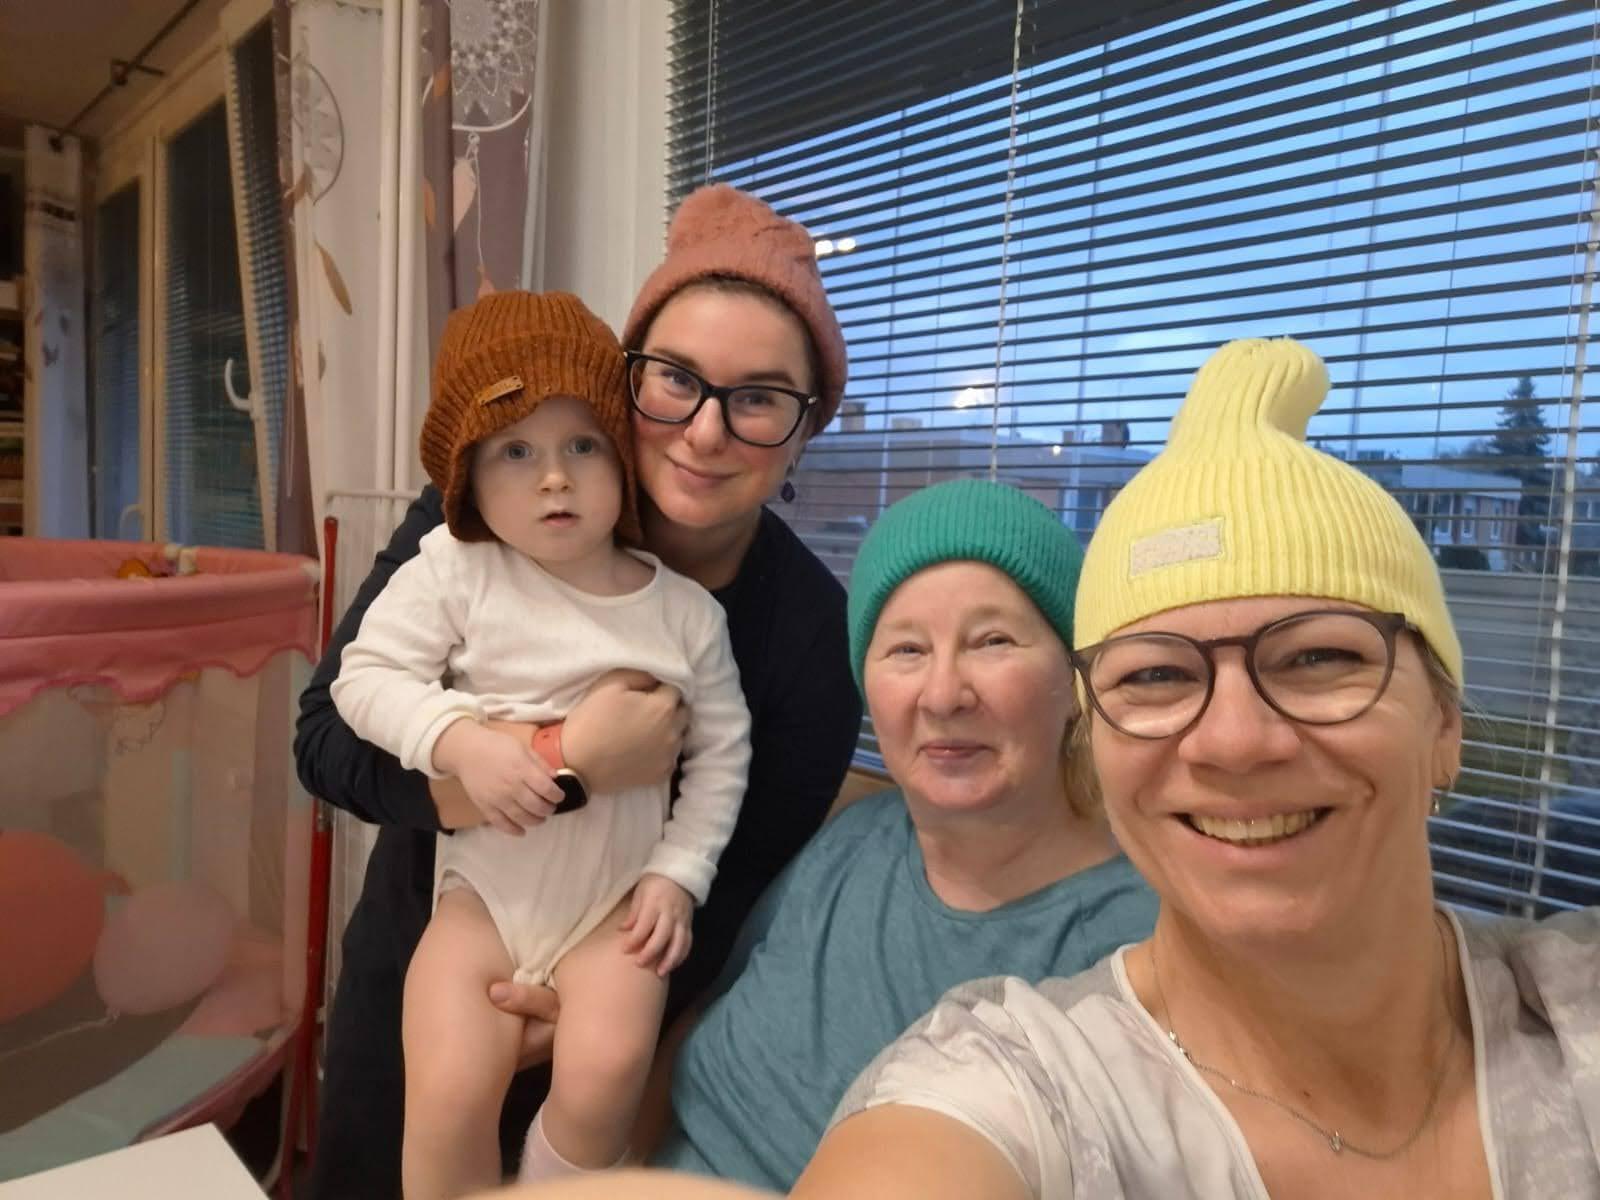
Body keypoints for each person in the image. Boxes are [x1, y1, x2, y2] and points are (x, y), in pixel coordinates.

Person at [791, 338, 1600, 1199]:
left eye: (1320, 658)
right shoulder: (1016, 1082)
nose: (1235, 740)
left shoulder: (1572, 1015)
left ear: (1444, 721)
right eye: (1156, 675)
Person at [294, 184, 862, 1199]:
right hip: (435, 966)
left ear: (802, 430)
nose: (705, 429)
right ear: (625, 382)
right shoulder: (487, 513)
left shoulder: (812, 637)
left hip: (621, 1004)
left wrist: (598, 1015)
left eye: (761, 397)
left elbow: (735, 884)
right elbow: (326, 736)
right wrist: (567, 763)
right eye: (675, 380)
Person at [329, 291, 752, 1197]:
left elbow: (723, 755)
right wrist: (458, 741)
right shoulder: (452, 565)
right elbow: (360, 683)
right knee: (445, 1093)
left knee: (605, 1080)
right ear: (468, 478)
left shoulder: (685, 613)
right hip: (481, 901)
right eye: (515, 452)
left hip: (615, 911)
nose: (553, 478)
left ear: (621, 461)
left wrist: (680, 871)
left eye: (582, 446)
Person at [641, 479, 1157, 1190]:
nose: (943, 694)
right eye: (907, 650)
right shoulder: (854, 843)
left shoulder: (1139, 943)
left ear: (1075, 685)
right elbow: (695, 1029)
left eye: (993, 641)